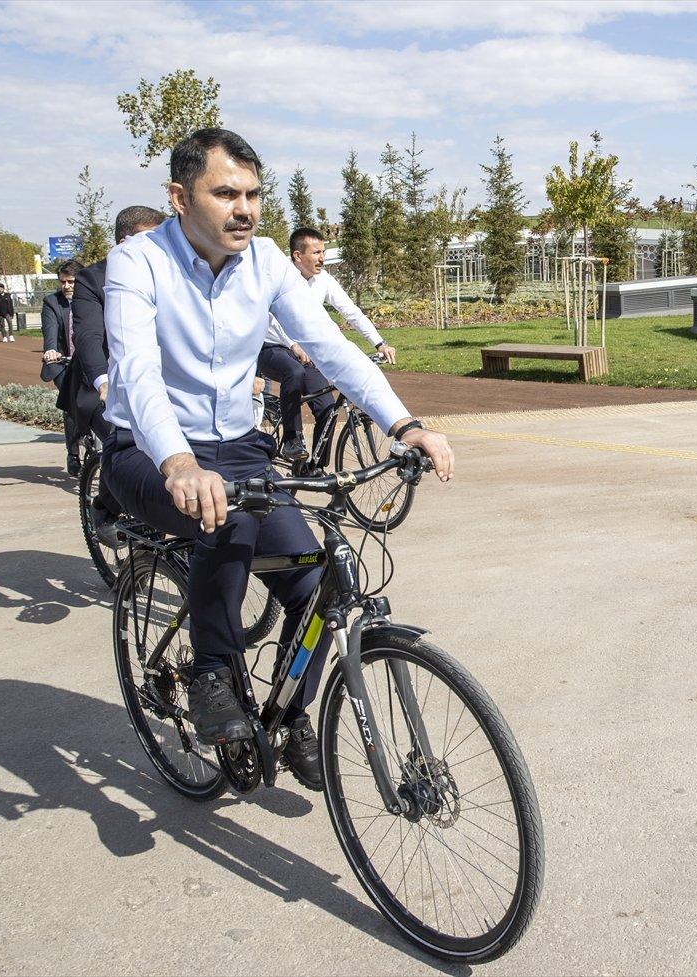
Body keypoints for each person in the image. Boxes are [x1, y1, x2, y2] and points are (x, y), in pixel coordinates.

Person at [102, 128, 453, 790]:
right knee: (223, 516)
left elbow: (330, 346)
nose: (245, 209)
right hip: (147, 448)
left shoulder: (265, 262)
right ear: (179, 197)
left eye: (254, 194)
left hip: (236, 447)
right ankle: (210, 672)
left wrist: (404, 424)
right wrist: (177, 460)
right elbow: (139, 374)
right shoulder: (139, 262)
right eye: (225, 193)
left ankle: (290, 717)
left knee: (319, 579)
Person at [61, 206, 166, 541]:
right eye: (152, 239)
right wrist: (105, 382)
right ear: (124, 241)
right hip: (102, 385)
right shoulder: (92, 279)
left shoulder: (166, 274)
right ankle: (104, 507)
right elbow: (89, 337)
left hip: (153, 377)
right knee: (129, 436)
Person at [259, 227, 398, 464]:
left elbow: (351, 311)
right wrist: (293, 344)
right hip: (272, 347)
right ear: (297, 256)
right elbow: (273, 317)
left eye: (323, 251)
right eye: (316, 253)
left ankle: (315, 466)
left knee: (326, 407)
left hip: (306, 350)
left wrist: (379, 342)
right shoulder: (278, 276)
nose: (322, 258)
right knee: (293, 372)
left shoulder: (323, 280)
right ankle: (292, 438)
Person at [41, 260, 83, 475]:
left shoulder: (93, 298)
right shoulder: (52, 302)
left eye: (71, 282)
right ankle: (73, 452)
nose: (66, 286)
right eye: (63, 282)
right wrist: (50, 349)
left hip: (88, 362)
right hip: (62, 362)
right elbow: (50, 328)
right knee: (72, 400)